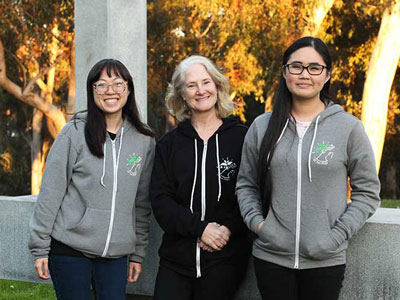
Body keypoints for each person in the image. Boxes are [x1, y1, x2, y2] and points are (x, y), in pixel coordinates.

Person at [236, 36, 381, 300]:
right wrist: (260, 226)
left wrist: (335, 236)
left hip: (326, 260)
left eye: (314, 68)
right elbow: (245, 184)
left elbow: (368, 192)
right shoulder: (262, 126)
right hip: (271, 258)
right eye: (296, 66)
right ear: (284, 72)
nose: (305, 74)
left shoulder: (348, 128)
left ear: (326, 75)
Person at [28, 59, 155, 300]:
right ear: (92, 90)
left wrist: (137, 253)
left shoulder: (144, 139)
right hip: (70, 250)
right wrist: (40, 248)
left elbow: (141, 203)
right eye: (102, 84)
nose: (111, 91)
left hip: (116, 255)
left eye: (118, 83)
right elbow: (51, 193)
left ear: (128, 89)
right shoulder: (74, 132)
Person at [150, 55, 251, 300]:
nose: (200, 90)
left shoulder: (242, 138)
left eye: (206, 82)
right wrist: (200, 229)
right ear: (182, 94)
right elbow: (161, 200)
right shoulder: (168, 145)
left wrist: (225, 228)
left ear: (217, 86)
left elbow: (251, 191)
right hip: (176, 259)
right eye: (191, 85)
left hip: (225, 258)